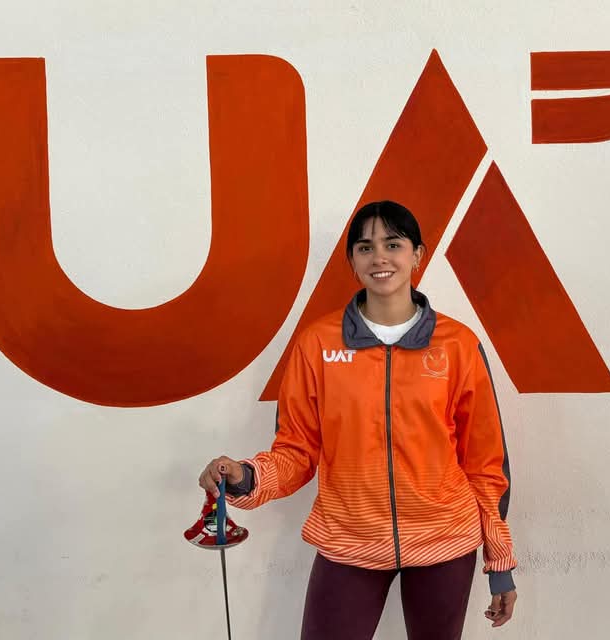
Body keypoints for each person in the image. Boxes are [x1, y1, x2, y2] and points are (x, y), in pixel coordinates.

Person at [199, 200, 518, 639]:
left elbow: (485, 465)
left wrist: (499, 562)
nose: (379, 257)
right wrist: (245, 477)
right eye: (365, 247)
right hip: (348, 540)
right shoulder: (316, 344)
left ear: (417, 255)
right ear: (352, 261)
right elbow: (295, 451)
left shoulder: (458, 345)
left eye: (393, 244)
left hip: (444, 541)